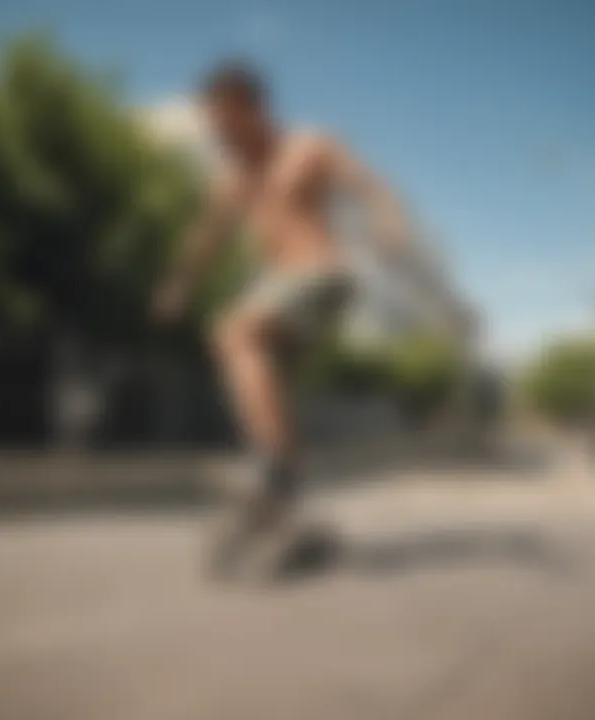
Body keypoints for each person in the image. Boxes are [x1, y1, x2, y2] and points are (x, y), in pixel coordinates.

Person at [151, 61, 412, 569]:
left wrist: (387, 220)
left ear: (254, 109)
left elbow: (370, 185)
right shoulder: (235, 178)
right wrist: (177, 285)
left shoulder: (309, 145)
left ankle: (275, 473)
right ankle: (287, 512)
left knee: (233, 333)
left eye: (226, 123)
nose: (220, 135)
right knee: (261, 392)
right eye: (213, 127)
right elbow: (205, 238)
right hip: (279, 289)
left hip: (320, 275)